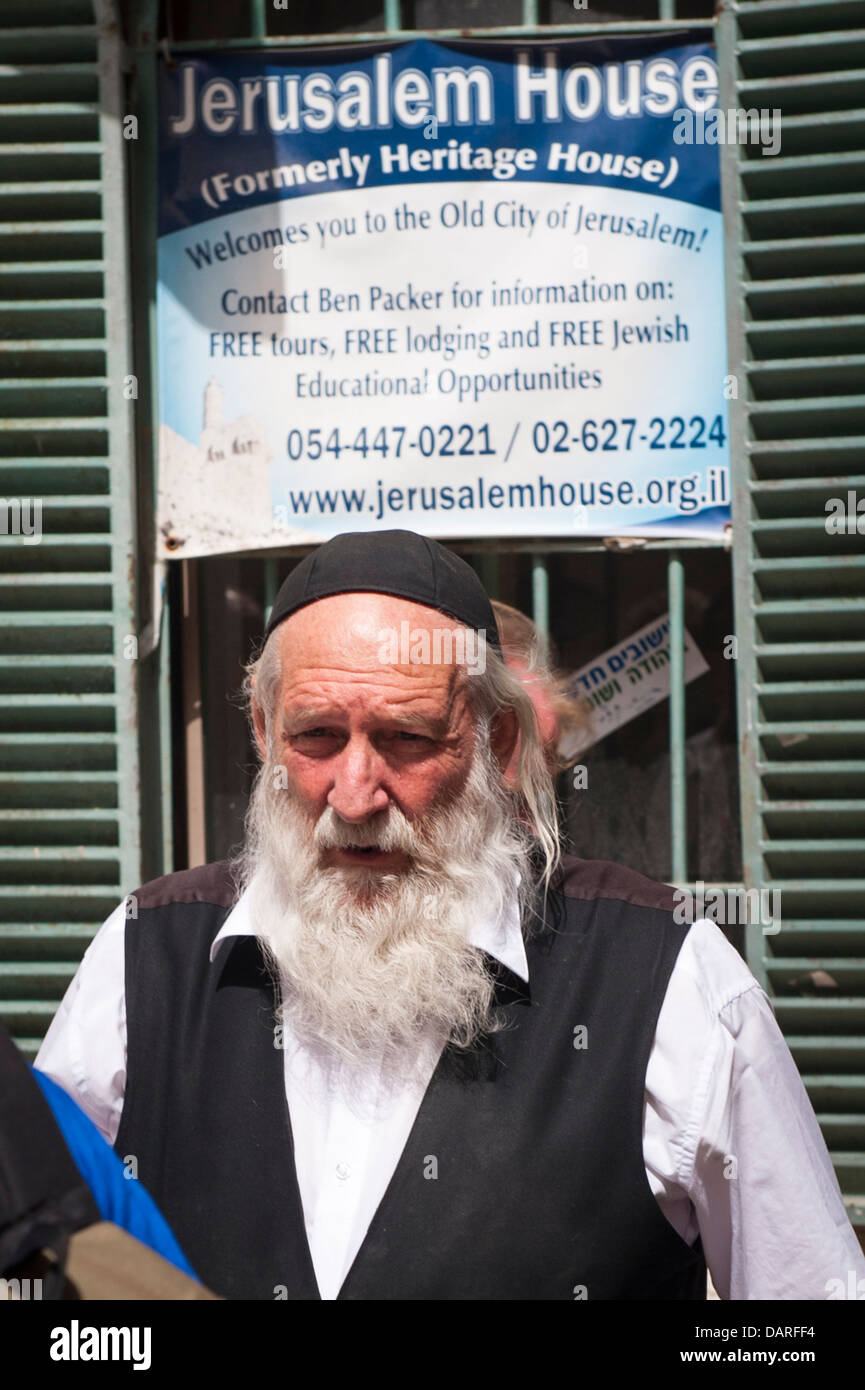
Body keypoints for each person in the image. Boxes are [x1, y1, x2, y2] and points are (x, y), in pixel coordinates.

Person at [37, 529, 865, 1300]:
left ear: (498, 744)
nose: (354, 798)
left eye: (405, 739)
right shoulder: (144, 958)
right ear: (261, 730)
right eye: (316, 736)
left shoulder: (665, 981)